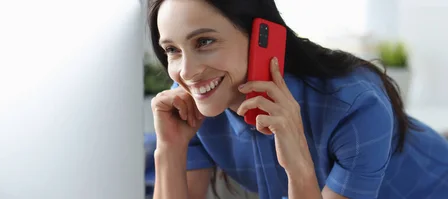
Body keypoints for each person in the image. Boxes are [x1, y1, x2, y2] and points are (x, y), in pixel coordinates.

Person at [145, 0, 448, 199]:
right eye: (172, 49)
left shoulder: (355, 105)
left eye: (205, 41)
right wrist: (170, 149)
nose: (186, 71)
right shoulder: (193, 99)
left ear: (261, 33)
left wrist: (299, 166)